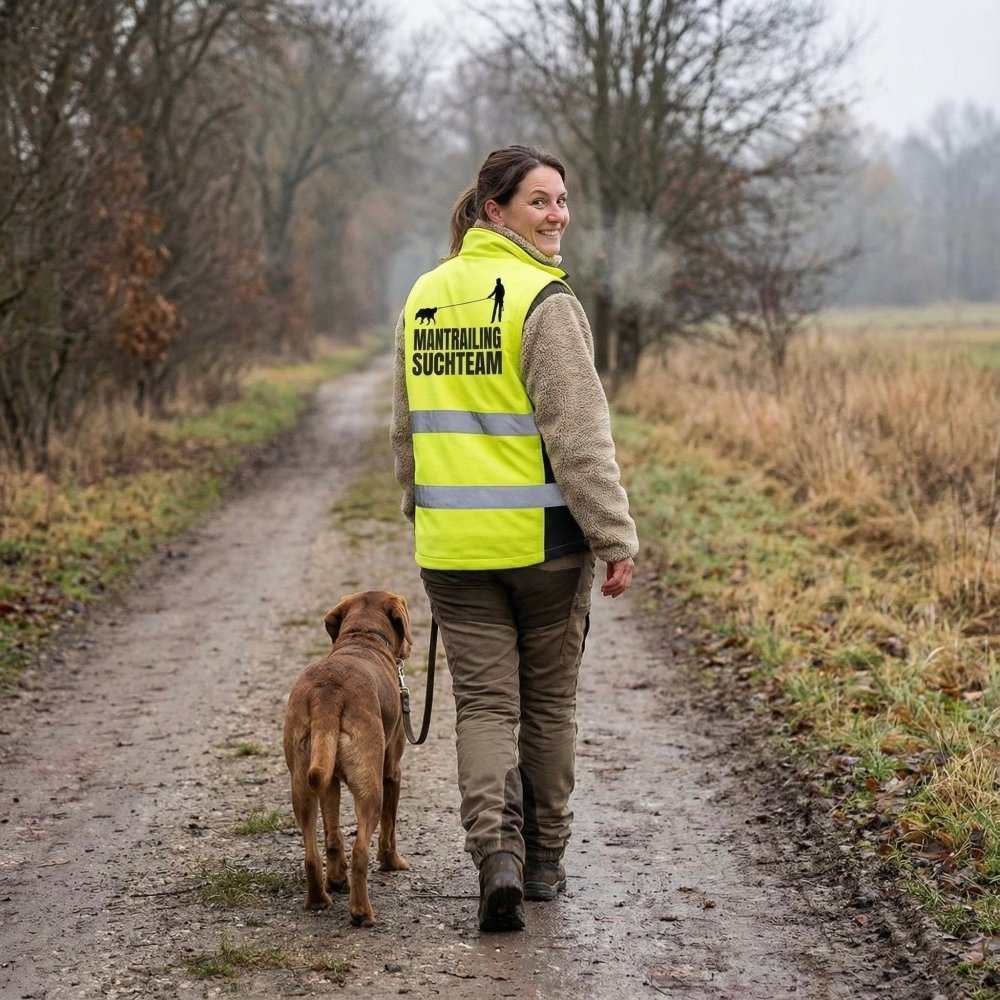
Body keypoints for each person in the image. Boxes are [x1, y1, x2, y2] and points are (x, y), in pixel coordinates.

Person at [390, 144, 638, 933]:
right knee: (548, 705)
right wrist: (614, 535)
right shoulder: (543, 300)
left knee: (486, 707)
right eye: (540, 201)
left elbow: (406, 431)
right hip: (544, 547)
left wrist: (418, 509)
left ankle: (493, 855)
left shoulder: (425, 296)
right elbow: (580, 437)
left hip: (454, 552)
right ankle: (541, 863)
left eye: (563, 200)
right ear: (494, 210)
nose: (558, 215)